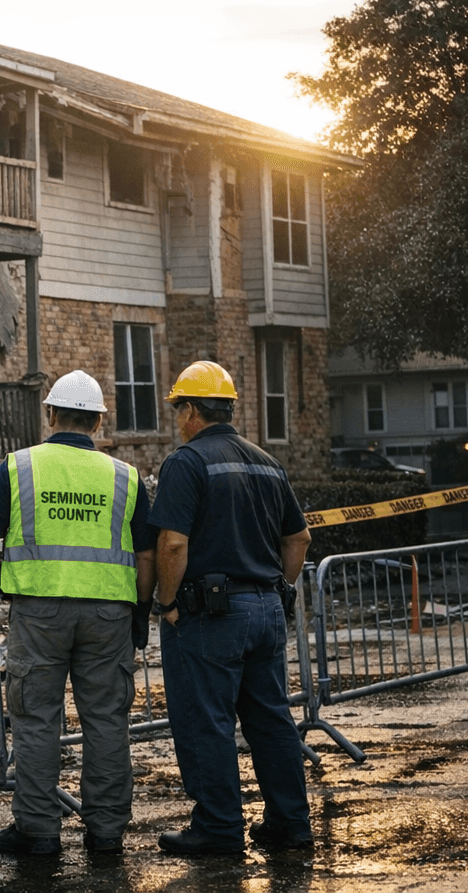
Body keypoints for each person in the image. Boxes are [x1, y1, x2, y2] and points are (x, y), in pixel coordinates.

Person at [0, 370, 156, 856]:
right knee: (107, 722)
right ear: (97, 421)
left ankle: (37, 831)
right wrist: (142, 608)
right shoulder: (126, 476)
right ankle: (107, 833)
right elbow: (148, 555)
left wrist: (10, 563)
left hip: (39, 613)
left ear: (50, 414)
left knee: (35, 720)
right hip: (109, 616)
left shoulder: (18, 467)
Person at [150, 360, 313, 855]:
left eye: (179, 408)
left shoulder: (187, 462)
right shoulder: (267, 462)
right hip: (265, 609)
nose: (177, 418)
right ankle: (290, 824)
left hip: (211, 615)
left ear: (193, 410)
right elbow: (299, 538)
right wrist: (279, 592)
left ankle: (218, 829)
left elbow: (173, 545)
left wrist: (168, 603)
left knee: (207, 721)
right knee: (271, 720)